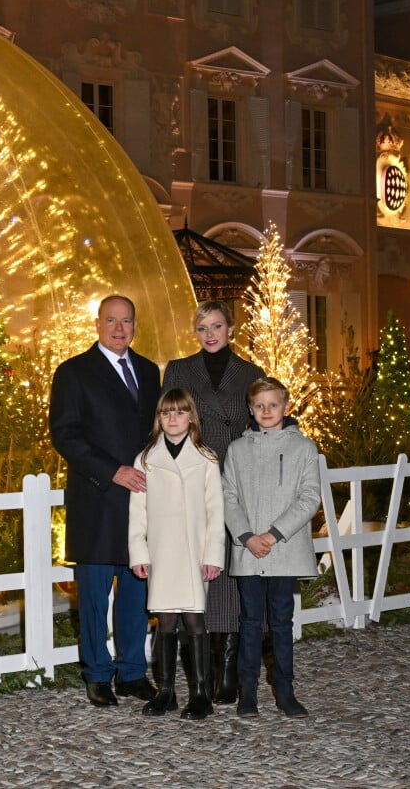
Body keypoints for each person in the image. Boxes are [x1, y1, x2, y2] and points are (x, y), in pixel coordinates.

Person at [49, 294, 161, 708]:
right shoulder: (73, 372)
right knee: (94, 598)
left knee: (136, 593)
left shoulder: (150, 372)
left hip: (140, 502)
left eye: (126, 321)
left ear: (135, 325)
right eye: (111, 321)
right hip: (97, 500)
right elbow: (65, 434)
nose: (119, 329)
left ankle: (132, 671)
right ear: (97, 324)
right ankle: (97, 674)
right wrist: (113, 470)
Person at [162, 300, 264, 705]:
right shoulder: (178, 370)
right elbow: (167, 418)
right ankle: (206, 668)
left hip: (238, 475)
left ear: (230, 328)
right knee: (203, 567)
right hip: (195, 472)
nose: (210, 334)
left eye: (217, 326)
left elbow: (263, 419)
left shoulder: (252, 373)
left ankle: (229, 668)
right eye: (202, 327)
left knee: (234, 567)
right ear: (195, 331)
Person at [222, 377, 321, 719]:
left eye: (273, 404)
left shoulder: (304, 448)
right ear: (251, 409)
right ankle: (247, 693)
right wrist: (248, 535)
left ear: (286, 406)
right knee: (250, 621)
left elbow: (309, 497)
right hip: (249, 550)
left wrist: (274, 534)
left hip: (284, 550)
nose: (266, 411)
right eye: (259, 406)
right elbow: (228, 496)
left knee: (281, 622)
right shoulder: (237, 450)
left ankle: (285, 690)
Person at [129, 388, 225, 720]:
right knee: (165, 620)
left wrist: (213, 555)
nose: (173, 419)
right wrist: (138, 551)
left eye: (179, 412)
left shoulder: (207, 458)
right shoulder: (145, 460)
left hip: (195, 553)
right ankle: (166, 692)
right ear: (159, 419)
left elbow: (216, 511)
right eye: (166, 413)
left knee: (195, 619)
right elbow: (137, 512)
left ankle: (201, 694)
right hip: (161, 552)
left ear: (191, 417)